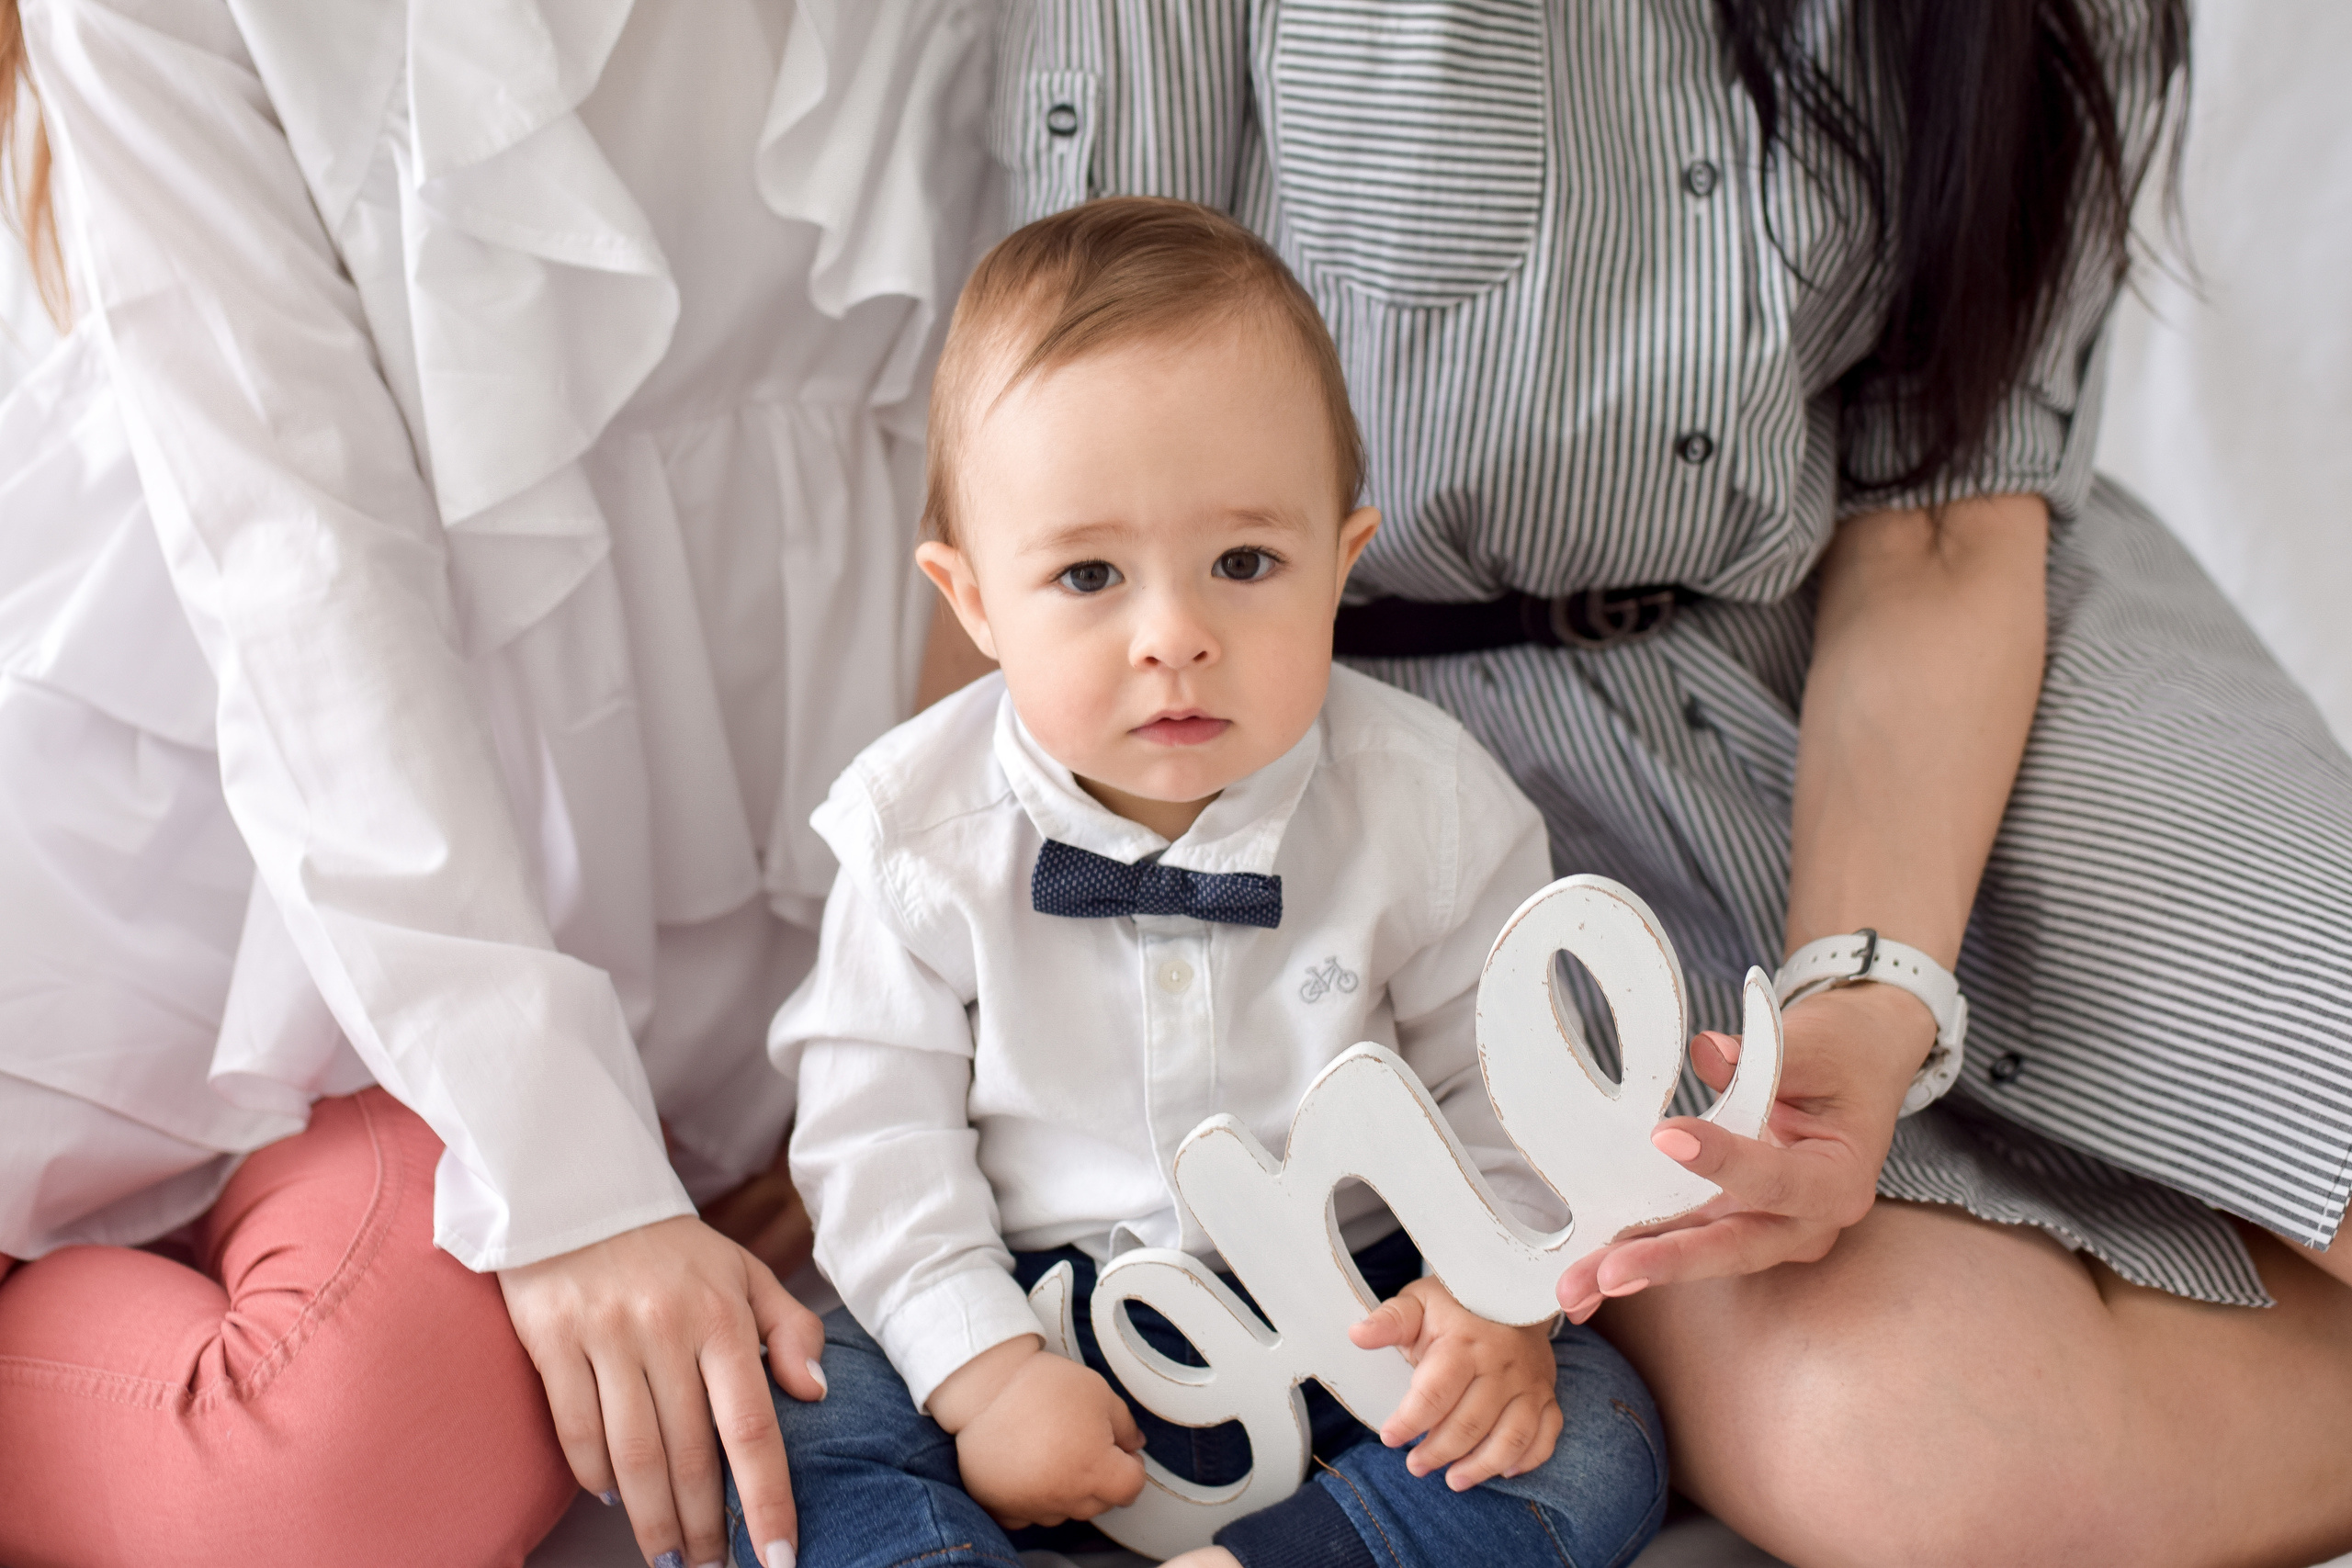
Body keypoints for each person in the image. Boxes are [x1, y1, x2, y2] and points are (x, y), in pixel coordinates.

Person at [985, 5, 2352, 1564]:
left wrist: (1870, 990)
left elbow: (1947, 527)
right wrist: (925, 1012)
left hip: (1929, 625)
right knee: (1932, 1458)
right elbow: (1056, 460)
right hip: (1417, 756)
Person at [0, 3, 998, 1566]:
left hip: (641, 931)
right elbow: (297, 567)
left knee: (387, 1445)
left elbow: (1011, 456)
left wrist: (895, 1029)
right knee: (343, 1450)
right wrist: (569, 1173)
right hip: (210, 877)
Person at [759, 197, 1668, 1568]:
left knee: (1594, 1434)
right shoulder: (915, 837)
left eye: (1245, 563)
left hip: (1359, 1307)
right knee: (798, 1423)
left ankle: (1296, 1554)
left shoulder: (1427, 806)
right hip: (1032, 1301)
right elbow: (874, 1146)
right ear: (974, 601)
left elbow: (1513, 1090)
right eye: (1088, 575)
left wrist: (1491, 1300)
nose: (1175, 636)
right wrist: (982, 1372)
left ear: (1340, 564)